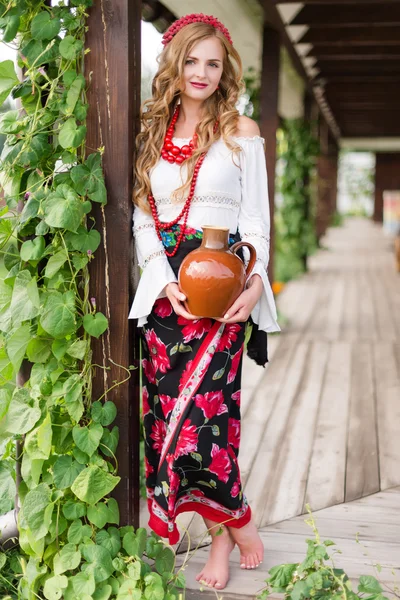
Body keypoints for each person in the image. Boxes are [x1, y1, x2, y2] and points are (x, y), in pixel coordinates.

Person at [128, 13, 280, 590]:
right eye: (191, 61)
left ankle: (225, 532)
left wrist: (253, 282)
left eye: (213, 63)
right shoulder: (150, 133)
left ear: (225, 70)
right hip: (166, 299)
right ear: (173, 64)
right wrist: (163, 279)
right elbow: (144, 218)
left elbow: (256, 225)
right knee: (166, 422)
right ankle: (229, 523)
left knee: (210, 424)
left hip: (221, 291)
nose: (201, 72)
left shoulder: (240, 133)